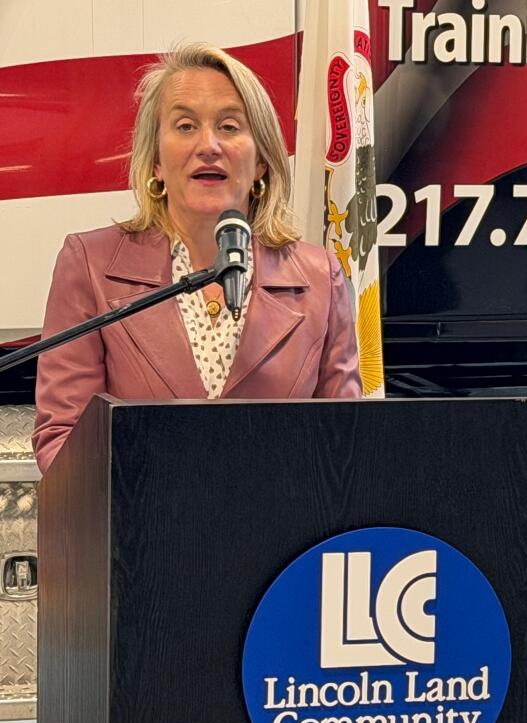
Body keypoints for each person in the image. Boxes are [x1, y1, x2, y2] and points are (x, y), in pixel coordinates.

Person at [32, 43, 361, 472]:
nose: (208, 145)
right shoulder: (90, 266)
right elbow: (63, 441)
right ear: (155, 162)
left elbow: (348, 444)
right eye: (185, 126)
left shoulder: (321, 278)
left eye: (229, 126)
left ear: (261, 160)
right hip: (145, 532)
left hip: (282, 531)